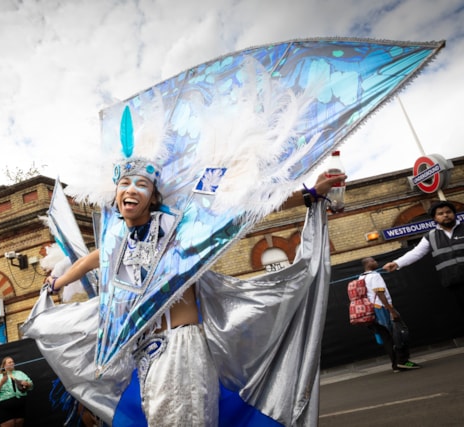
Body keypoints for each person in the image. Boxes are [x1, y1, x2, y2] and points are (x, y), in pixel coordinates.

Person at [43, 164, 343, 425]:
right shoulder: (117, 246)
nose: (131, 190)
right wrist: (57, 282)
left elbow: (244, 212)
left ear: (154, 198)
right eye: (124, 183)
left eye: (141, 184)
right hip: (146, 354)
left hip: (181, 346)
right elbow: (86, 261)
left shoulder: (180, 233)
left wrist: (309, 193)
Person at [383, 200, 464, 313]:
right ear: (435, 218)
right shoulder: (431, 236)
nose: (445, 215)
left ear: (454, 214)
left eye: (448, 212)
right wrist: (397, 263)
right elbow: (416, 253)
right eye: (440, 214)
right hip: (454, 283)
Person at [360, 257, 421, 372]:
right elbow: (380, 293)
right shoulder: (374, 276)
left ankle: (395, 365)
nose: (376, 262)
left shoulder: (361, 277)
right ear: (368, 264)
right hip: (382, 308)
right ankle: (403, 361)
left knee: (387, 339)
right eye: (373, 261)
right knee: (399, 332)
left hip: (371, 311)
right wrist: (391, 311)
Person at [0, 357, 32, 427]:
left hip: (20, 405)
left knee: (19, 423)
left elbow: (31, 384)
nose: (12, 363)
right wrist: (2, 382)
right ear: (4, 365)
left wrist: (27, 384)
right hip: (5, 407)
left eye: (13, 362)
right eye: (9, 362)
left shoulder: (20, 373)